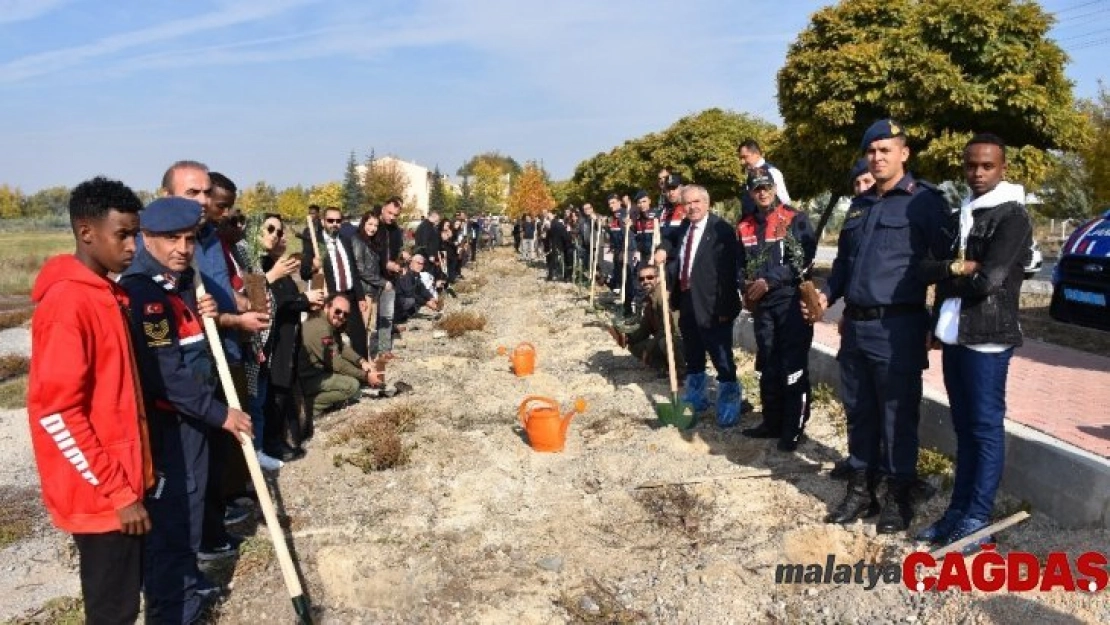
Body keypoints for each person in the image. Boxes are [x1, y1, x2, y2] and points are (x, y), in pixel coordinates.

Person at [802, 120, 949, 534]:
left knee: (897, 415)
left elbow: (944, 268)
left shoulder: (925, 203)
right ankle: (862, 488)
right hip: (857, 327)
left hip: (898, 327)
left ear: (904, 153)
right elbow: (846, 265)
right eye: (872, 151)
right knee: (859, 411)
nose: (878, 157)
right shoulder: (861, 205)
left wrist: (936, 322)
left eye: (886, 150)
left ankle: (898, 496)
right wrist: (827, 295)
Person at [120, 197, 254, 623]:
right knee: (174, 520)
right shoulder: (145, 293)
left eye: (189, 238)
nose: (182, 247)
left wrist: (205, 313)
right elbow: (167, 376)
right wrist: (221, 415)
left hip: (193, 420)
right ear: (147, 238)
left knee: (190, 514)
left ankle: (187, 589)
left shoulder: (179, 285)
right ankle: (174, 610)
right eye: (170, 239)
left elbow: (193, 347)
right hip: (172, 425)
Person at [28, 177, 150, 625]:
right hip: (103, 498)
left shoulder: (108, 294)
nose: (134, 246)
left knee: (122, 603)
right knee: (112, 611)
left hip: (124, 485)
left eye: (136, 233)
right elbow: (56, 412)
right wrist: (118, 493)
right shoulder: (68, 305)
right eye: (123, 234)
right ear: (86, 233)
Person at [915, 134, 1032, 552]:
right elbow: (928, 270)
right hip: (956, 336)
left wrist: (953, 273)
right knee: (964, 429)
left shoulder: (1012, 217)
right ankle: (957, 512)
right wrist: (957, 268)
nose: (977, 173)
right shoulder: (963, 212)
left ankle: (979, 519)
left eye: (987, 166)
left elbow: (989, 281)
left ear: (1002, 168)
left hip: (987, 338)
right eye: (970, 166)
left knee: (984, 429)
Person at [161, 161, 263, 561]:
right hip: (182, 380)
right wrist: (231, 314)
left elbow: (218, 297)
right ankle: (192, 553)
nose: (203, 202)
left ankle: (211, 532)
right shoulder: (159, 252)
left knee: (212, 457)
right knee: (188, 469)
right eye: (193, 194)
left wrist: (230, 306)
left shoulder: (208, 239)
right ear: (167, 196)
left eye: (207, 194)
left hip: (216, 360)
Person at [736, 168, 818, 452]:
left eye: (766, 187)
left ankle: (793, 429)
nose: (762, 192)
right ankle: (771, 422)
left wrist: (770, 280)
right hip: (762, 307)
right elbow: (737, 263)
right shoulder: (744, 226)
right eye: (756, 188)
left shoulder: (794, 218)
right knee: (768, 363)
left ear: (773, 188)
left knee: (792, 366)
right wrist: (743, 283)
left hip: (789, 302)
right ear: (750, 192)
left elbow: (805, 259)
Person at [654, 184, 744, 426]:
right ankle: (696, 398)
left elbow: (728, 274)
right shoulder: (684, 227)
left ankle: (728, 400)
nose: (692, 207)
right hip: (687, 301)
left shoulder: (721, 230)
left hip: (713, 305)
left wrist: (725, 310)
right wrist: (662, 249)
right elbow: (670, 240)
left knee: (720, 356)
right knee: (693, 353)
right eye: (688, 203)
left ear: (707, 203)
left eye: (696, 202)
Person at [255, 214, 325, 460]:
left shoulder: (280, 266)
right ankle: (271, 444)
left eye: (280, 231)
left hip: (289, 334)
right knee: (274, 390)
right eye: (270, 229)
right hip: (272, 339)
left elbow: (289, 297)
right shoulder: (260, 265)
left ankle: (283, 438)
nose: (276, 235)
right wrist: (303, 300)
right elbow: (267, 301)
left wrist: (307, 302)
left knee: (284, 386)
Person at [300, 206, 369, 359]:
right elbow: (304, 273)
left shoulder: (345, 240)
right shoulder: (315, 243)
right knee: (331, 339)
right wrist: (314, 266)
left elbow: (353, 271)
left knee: (359, 337)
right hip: (330, 299)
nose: (334, 224)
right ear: (324, 221)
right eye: (330, 220)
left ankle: (364, 373)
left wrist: (360, 296)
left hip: (349, 296)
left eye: (338, 221)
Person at [298, 293, 382, 416]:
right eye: (337, 311)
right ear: (327, 307)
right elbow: (337, 364)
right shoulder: (321, 329)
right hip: (307, 378)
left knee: (350, 379)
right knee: (352, 385)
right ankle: (310, 406)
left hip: (315, 372)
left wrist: (361, 361)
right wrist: (366, 376)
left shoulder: (325, 320)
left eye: (345, 314)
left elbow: (341, 346)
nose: (341, 316)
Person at [608, 264, 685, 376]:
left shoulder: (664, 297)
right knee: (634, 346)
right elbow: (645, 327)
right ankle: (663, 367)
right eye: (641, 279)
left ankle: (681, 369)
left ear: (658, 278)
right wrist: (628, 338)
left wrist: (648, 349)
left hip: (680, 342)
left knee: (664, 342)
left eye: (650, 277)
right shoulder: (650, 299)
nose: (645, 281)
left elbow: (669, 329)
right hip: (665, 339)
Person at [352, 211, 396, 358]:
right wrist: (383, 282)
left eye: (376, 225)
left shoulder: (371, 242)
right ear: (363, 223)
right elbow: (360, 270)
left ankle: (369, 358)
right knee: (363, 328)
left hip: (373, 290)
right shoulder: (357, 241)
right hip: (365, 291)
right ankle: (361, 360)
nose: (373, 228)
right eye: (370, 224)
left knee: (371, 328)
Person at [738, 138, 792, 205]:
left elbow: (785, 201)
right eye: (740, 158)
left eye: (745, 157)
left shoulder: (772, 172)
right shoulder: (749, 173)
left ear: (757, 154)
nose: (742, 162)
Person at [395, 254, 442, 323]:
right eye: (418, 263)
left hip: (406, 299)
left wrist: (431, 297)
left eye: (422, 264)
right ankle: (398, 317)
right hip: (398, 301)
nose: (421, 266)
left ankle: (407, 314)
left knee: (418, 299)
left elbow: (422, 288)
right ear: (411, 262)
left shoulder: (416, 273)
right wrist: (426, 302)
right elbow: (410, 293)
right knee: (412, 300)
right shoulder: (406, 273)